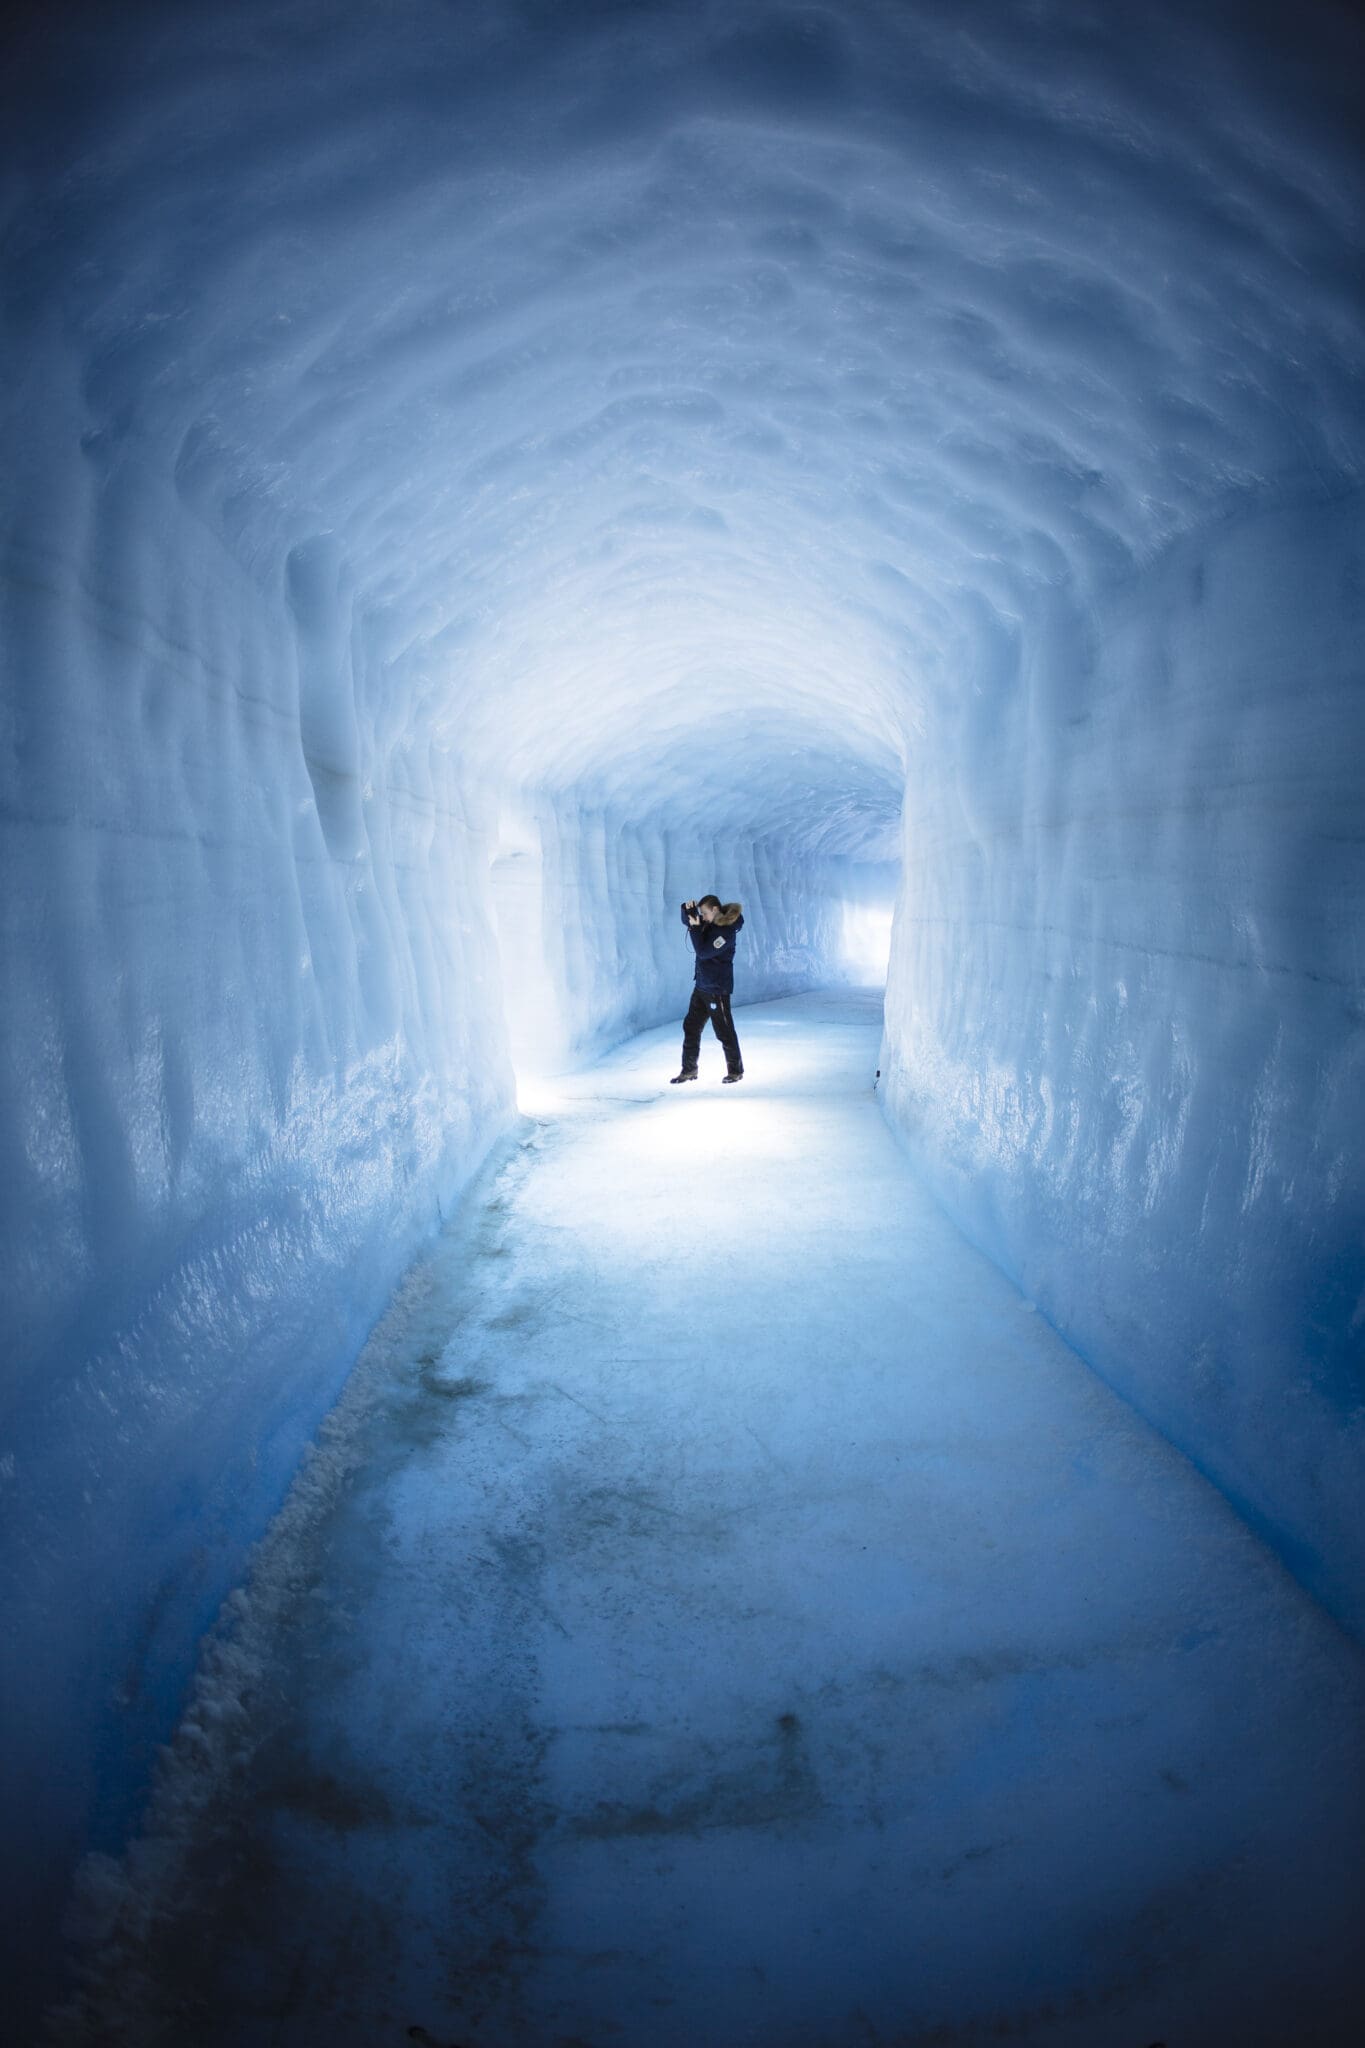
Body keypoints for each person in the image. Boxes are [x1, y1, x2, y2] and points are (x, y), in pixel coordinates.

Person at [672, 895, 744, 1084]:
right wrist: (687, 910)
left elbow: (703, 952)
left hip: (717, 989)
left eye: (704, 913)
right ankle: (689, 1070)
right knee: (691, 1026)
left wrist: (696, 928)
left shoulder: (727, 932)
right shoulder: (709, 924)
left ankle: (735, 1071)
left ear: (714, 910)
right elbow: (688, 923)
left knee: (724, 1030)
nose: (702, 917)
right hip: (702, 986)